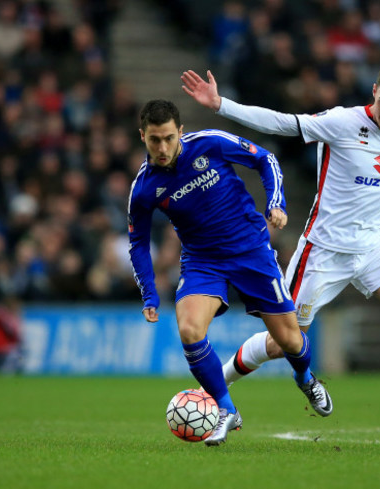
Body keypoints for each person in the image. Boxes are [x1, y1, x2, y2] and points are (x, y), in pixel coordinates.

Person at [181, 60, 380, 450]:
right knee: (282, 344)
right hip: (323, 252)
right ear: (374, 91)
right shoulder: (341, 122)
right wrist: (220, 105)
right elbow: (282, 122)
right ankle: (213, 385)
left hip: (374, 247)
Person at [127, 99, 332, 446]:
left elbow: (265, 158)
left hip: (250, 250)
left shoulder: (209, 143)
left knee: (290, 341)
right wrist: (149, 292)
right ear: (142, 136)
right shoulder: (144, 188)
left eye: (167, 138)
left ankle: (305, 377)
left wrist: (276, 202)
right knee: (190, 330)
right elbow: (137, 243)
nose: (162, 148)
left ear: (180, 132)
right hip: (202, 260)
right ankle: (226, 409)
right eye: (153, 140)